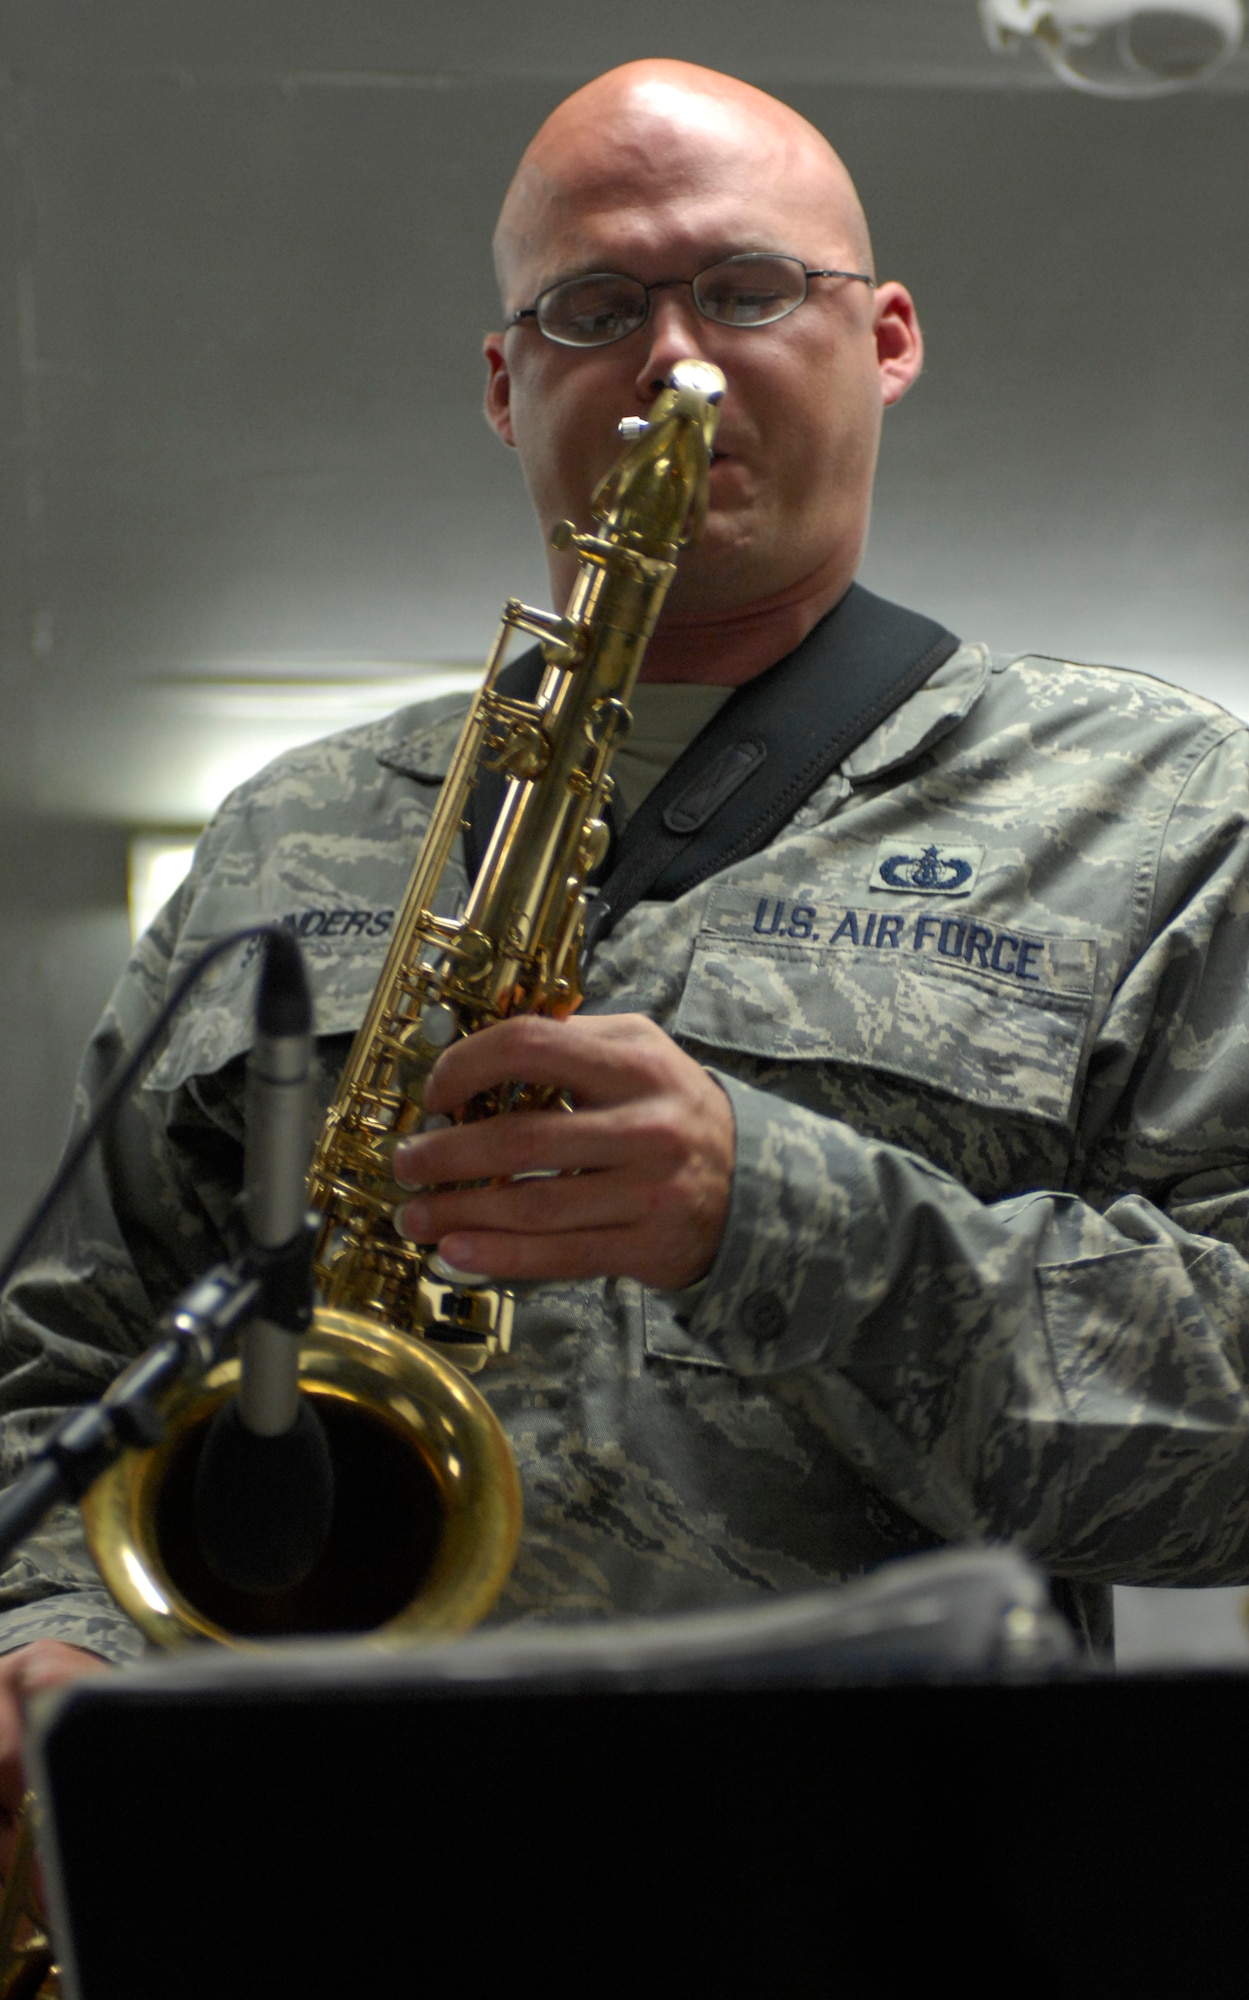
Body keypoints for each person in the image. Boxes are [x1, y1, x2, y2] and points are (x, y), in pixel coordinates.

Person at [4, 57, 1249, 1855]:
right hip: (308, 1880)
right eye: (595, 309)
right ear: (507, 386)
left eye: (747, 290)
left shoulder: (1168, 803)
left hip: (877, 1900)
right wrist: (50, 1635)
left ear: (884, 337)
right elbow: (69, 1364)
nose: (674, 362)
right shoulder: (288, 831)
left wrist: (776, 1217)